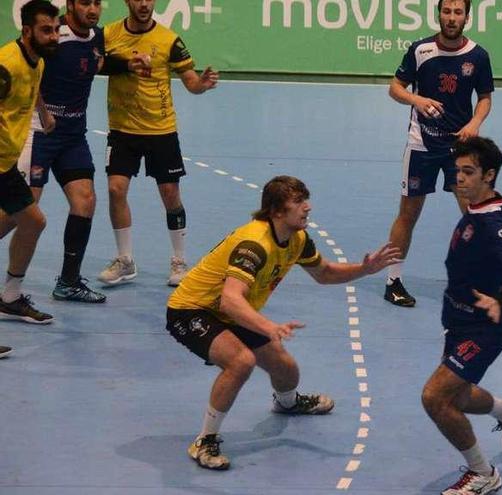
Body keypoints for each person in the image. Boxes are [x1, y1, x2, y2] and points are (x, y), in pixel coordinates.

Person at [166, 175, 401, 470]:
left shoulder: (297, 239)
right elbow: (229, 299)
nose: (308, 207)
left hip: (232, 311)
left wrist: (364, 270)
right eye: (299, 202)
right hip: (192, 309)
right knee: (241, 362)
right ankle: (205, 440)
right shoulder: (254, 244)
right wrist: (268, 327)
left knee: (286, 369)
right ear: (277, 211)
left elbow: (325, 273)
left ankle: (287, 403)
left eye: (306, 199)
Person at [421, 135, 502, 495]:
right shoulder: (485, 208)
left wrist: (501, 300)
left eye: (469, 172)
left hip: (484, 327)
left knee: (434, 398)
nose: (459, 178)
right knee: (458, 398)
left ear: (488, 176)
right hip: (458, 321)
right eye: (457, 171)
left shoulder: (490, 224)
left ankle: (483, 474)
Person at [2, 0, 118, 304]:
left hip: (72, 135)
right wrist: (42, 113)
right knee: (22, 214)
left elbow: (95, 64)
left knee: (85, 201)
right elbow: (30, 72)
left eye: (97, 3)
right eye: (85, 3)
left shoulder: (97, 38)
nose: (92, 10)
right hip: (39, 135)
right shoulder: (50, 40)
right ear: (70, 5)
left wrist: (132, 65)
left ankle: (68, 283)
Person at [98, 0, 219, 287]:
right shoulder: (108, 35)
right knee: (116, 189)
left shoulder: (169, 40)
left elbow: (191, 82)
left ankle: (179, 261)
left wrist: (202, 83)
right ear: (128, 2)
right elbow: (95, 63)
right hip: (122, 129)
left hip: (160, 130)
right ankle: (125, 260)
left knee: (170, 194)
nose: (144, 4)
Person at [383, 0, 494, 307]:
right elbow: (395, 88)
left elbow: (484, 98)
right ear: (439, 14)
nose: (451, 18)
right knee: (408, 214)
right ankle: (393, 281)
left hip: (460, 150)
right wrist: (416, 101)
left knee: (473, 214)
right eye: (447, 11)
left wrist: (475, 122)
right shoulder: (420, 50)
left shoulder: (478, 56)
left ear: (467, 17)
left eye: (458, 12)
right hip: (422, 145)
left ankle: (476, 283)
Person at [0, 0, 60, 324]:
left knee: (32, 221)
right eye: (46, 30)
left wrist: (44, 112)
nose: (53, 37)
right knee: (31, 219)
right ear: (27, 31)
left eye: (56, 30)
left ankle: (9, 297)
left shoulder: (37, 62)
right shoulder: (5, 64)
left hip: (4, 164)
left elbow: (32, 86)